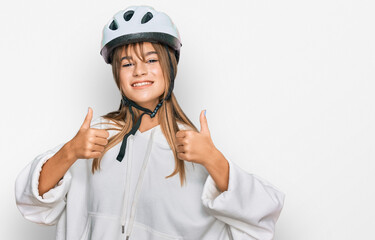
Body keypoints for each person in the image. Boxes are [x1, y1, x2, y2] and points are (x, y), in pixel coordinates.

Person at [15, 5, 285, 240]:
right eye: (127, 63)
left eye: (151, 59)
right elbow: (32, 201)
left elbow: (262, 217)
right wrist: (70, 152)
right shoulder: (96, 136)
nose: (140, 70)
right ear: (117, 74)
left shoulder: (193, 147)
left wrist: (213, 159)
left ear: (170, 66)